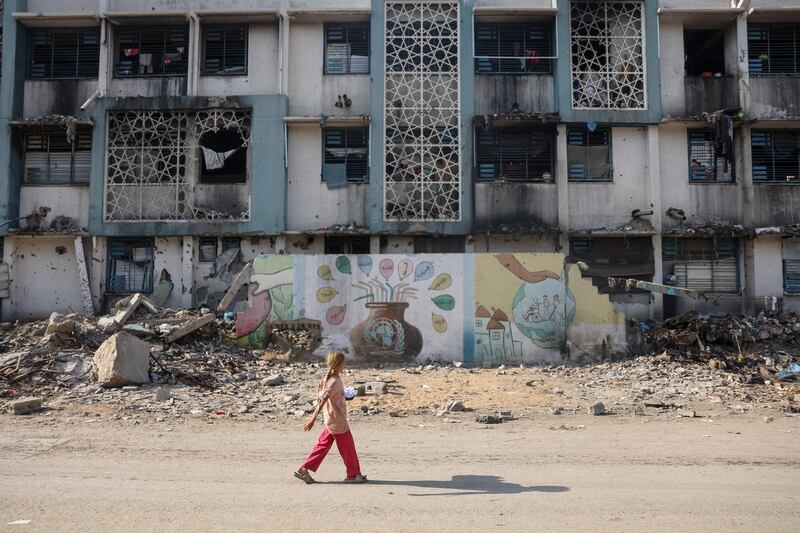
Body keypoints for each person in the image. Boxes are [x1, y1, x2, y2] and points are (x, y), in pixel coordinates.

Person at [294, 351, 367, 484]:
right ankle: (353, 475)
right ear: (339, 364)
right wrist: (312, 419)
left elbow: (328, 397)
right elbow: (323, 400)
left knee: (323, 445)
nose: (345, 365)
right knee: (348, 446)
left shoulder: (327, 379)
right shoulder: (334, 381)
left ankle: (304, 469)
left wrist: (345, 395)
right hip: (337, 420)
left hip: (330, 419)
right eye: (344, 362)